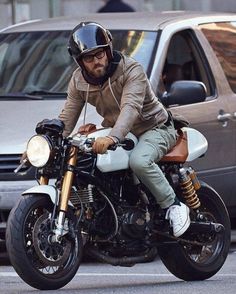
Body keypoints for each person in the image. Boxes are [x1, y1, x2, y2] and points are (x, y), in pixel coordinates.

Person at [59, 21, 190, 237]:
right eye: (88, 58)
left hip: (154, 126)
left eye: (99, 54)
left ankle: (174, 205)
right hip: (120, 132)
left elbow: (131, 109)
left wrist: (112, 138)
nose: (96, 61)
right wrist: (46, 141)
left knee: (139, 160)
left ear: (108, 51)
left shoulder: (131, 70)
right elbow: (67, 116)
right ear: (80, 61)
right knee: (77, 161)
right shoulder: (78, 81)